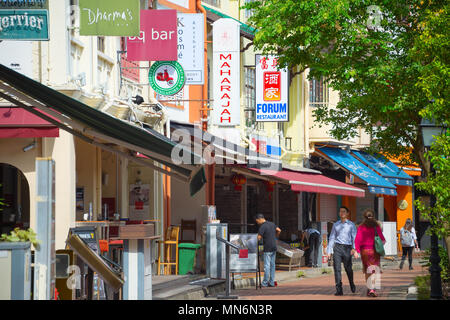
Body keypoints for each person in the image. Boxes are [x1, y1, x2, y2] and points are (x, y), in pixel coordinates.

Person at [354, 209, 386, 297]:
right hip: (374, 251)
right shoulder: (376, 226)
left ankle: (369, 288)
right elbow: (383, 240)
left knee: (367, 269)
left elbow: (358, 240)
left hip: (364, 251)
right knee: (374, 270)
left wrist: (357, 250)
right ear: (373, 216)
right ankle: (372, 289)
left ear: (364, 217)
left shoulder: (361, 227)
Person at [326, 206, 358, 296]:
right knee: (337, 268)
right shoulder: (336, 225)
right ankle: (339, 289)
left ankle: (351, 283)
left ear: (347, 213)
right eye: (340, 211)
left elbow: (354, 238)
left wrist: (354, 249)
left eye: (344, 211)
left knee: (348, 268)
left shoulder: (351, 225)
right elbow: (332, 237)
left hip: (347, 248)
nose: (341, 213)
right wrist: (329, 251)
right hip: (337, 248)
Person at [256, 213, 281, 287]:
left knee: (267, 266)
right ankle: (272, 282)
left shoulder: (262, 226)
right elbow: (279, 230)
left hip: (267, 247)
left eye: (257, 221)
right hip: (274, 246)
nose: (257, 223)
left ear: (260, 219)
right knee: (272, 265)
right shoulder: (272, 224)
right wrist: (275, 237)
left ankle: (265, 282)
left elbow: (258, 237)